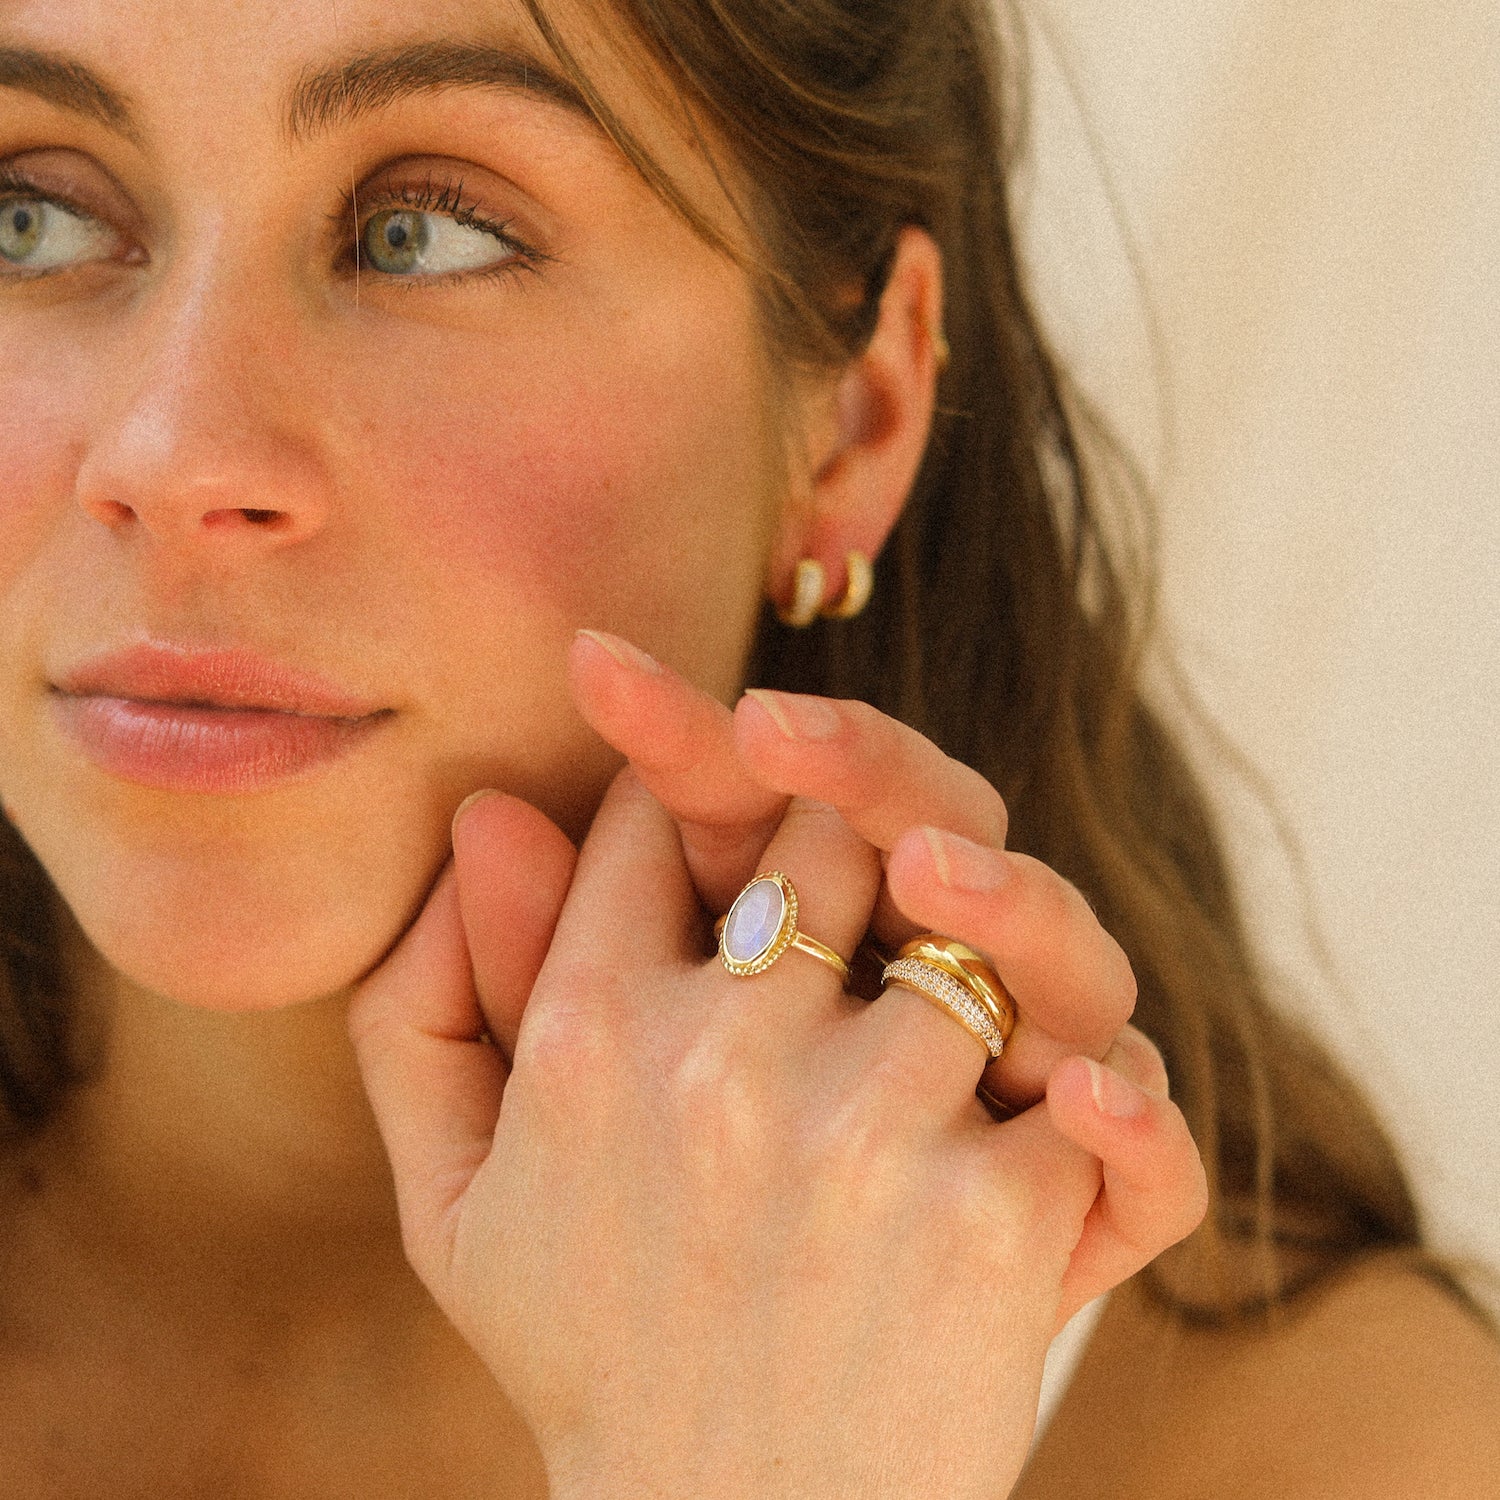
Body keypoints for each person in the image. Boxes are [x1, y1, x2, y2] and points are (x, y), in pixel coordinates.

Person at [0, 0, 1496, 1494]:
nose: (171, 454)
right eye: (31, 220)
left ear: (855, 416)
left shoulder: (1363, 1456)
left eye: (427, 233)